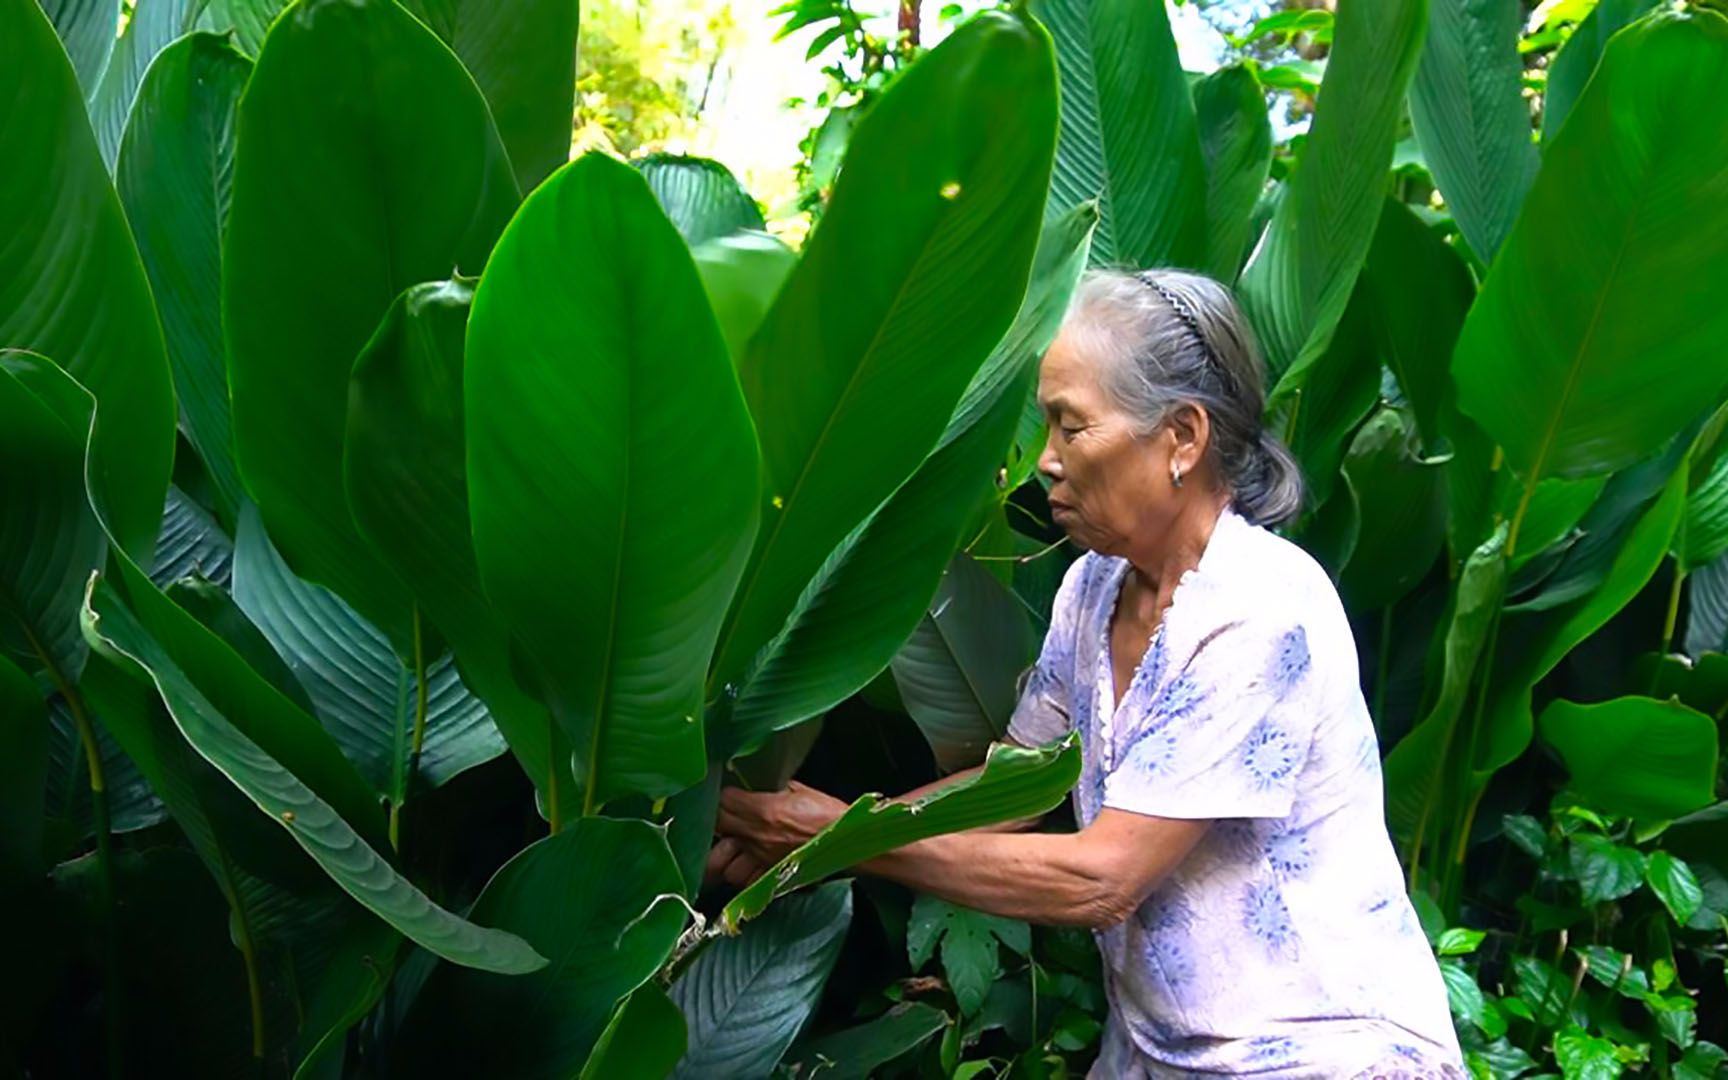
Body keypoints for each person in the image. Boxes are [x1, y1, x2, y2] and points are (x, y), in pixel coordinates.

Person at [709, 269, 1464, 1079]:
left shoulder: (1260, 611)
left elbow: (1104, 878)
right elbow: (1014, 790)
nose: (1045, 462)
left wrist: (830, 834)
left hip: (1320, 1049)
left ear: (1182, 437)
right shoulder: (1095, 586)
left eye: (1072, 429)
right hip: (1160, 1049)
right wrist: (801, 836)